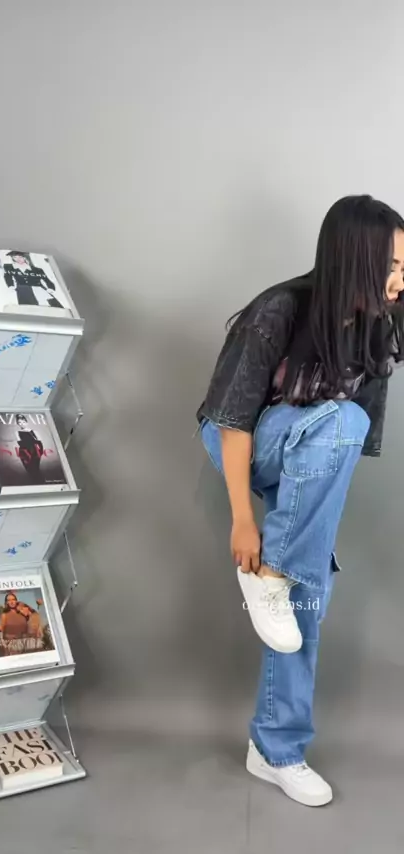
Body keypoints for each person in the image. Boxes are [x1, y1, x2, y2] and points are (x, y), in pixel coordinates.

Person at [196, 195, 404, 807]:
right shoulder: (279, 310)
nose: (402, 279)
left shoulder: (383, 319)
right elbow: (232, 422)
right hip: (247, 444)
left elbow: (345, 443)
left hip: (314, 456)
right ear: (356, 259)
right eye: (393, 265)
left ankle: (276, 749)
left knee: (306, 596)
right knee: (344, 419)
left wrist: (310, 526)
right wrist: (244, 523)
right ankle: (270, 573)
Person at [16, 414, 44, 482]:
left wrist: (40, 452)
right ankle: (34, 482)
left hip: (34, 451)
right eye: (19, 422)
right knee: (29, 469)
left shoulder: (34, 431)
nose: (22, 424)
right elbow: (20, 443)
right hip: (24, 452)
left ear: (26, 422)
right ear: (18, 424)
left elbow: (40, 443)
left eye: (23, 422)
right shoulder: (17, 432)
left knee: (35, 468)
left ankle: (40, 482)